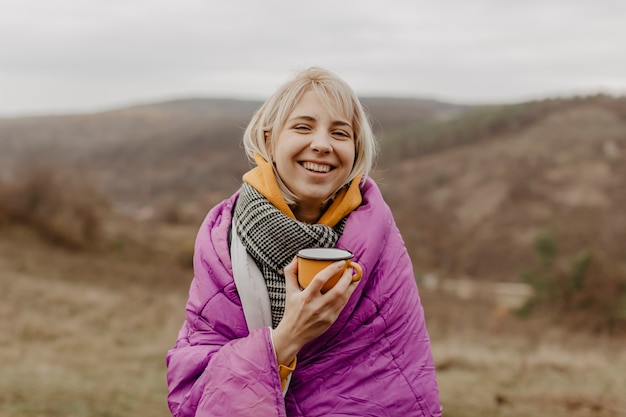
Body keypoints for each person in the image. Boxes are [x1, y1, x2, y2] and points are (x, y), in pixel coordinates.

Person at [166, 67, 442, 417]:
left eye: (340, 133)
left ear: (355, 151)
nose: (323, 145)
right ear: (269, 140)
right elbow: (194, 386)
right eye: (303, 127)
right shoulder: (225, 240)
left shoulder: (380, 235)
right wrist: (286, 339)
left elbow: (402, 382)